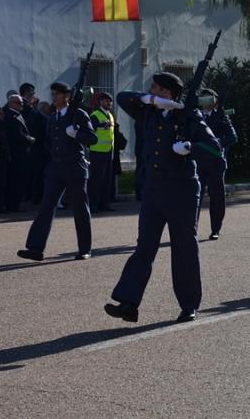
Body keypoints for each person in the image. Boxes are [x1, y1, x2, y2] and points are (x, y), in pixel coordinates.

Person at [104, 72, 222, 324]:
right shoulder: (150, 111)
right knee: (144, 247)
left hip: (182, 191)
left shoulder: (189, 116)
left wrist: (190, 147)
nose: (151, 90)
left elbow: (214, 149)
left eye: (155, 88)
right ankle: (128, 303)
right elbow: (123, 98)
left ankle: (189, 305)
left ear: (168, 92)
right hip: (153, 190)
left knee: (184, 248)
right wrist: (150, 99)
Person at [16, 82, 98, 261]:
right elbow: (47, 142)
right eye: (52, 94)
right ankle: (35, 248)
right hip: (57, 167)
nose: (54, 97)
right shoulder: (53, 118)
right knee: (46, 207)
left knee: (80, 209)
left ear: (67, 96)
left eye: (57, 94)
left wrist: (76, 134)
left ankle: (85, 249)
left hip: (75, 166)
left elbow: (92, 138)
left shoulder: (79, 115)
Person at [196, 88, 238, 240]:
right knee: (195, 197)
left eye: (209, 99)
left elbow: (232, 137)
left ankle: (215, 229)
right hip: (198, 162)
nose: (206, 102)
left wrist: (216, 143)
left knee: (216, 198)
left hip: (216, 163)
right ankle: (192, 228)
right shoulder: (196, 116)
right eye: (203, 99)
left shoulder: (221, 117)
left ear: (214, 101)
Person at [4, 94, 35, 212]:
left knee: (20, 181)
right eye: (18, 103)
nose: (21, 105)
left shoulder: (18, 115)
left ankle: (16, 204)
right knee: (15, 181)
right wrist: (31, 139)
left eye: (22, 103)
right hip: (16, 154)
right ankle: (12, 205)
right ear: (11, 103)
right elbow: (17, 135)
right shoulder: (10, 115)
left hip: (22, 154)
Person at [88, 92, 116, 213]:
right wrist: (100, 126)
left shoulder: (110, 115)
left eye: (110, 101)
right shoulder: (95, 115)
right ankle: (93, 204)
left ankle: (104, 204)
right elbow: (89, 131)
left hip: (109, 152)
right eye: (106, 101)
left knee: (106, 180)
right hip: (97, 152)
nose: (109, 103)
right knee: (96, 180)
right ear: (100, 102)